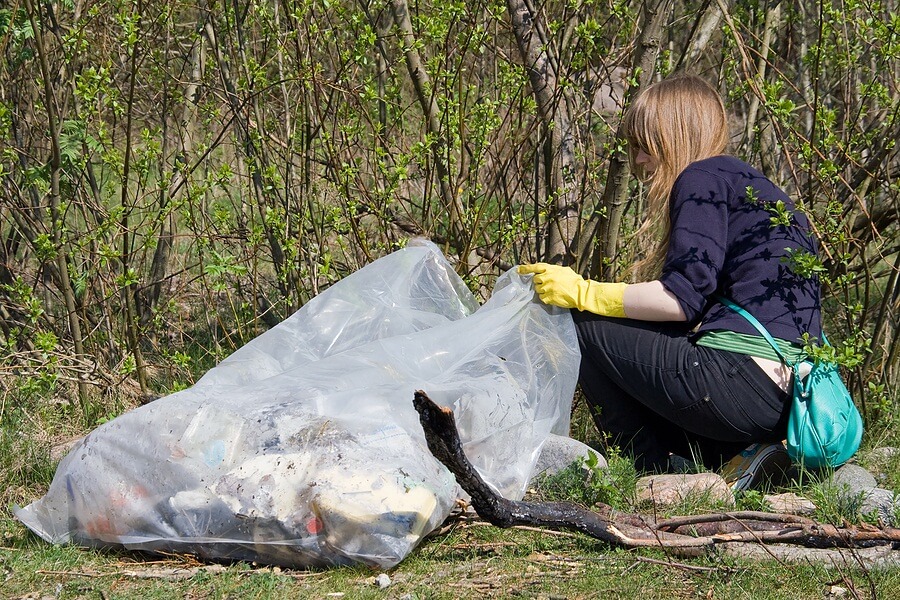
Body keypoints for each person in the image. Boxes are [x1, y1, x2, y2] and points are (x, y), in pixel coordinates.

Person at [518, 74, 822, 490]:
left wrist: (585, 292)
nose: (638, 160)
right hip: (788, 402)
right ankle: (728, 459)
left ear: (674, 136)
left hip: (739, 381)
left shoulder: (702, 178)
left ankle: (643, 474)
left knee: (583, 327)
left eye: (645, 145)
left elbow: (679, 300)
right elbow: (690, 316)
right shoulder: (757, 190)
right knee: (651, 341)